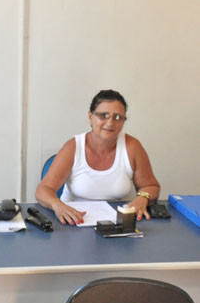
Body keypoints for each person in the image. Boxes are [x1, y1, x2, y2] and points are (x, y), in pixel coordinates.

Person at [35, 89, 160, 225]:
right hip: (74, 222)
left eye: (118, 117)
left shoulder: (132, 146)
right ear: (90, 117)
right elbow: (43, 190)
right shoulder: (73, 147)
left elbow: (150, 186)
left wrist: (143, 198)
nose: (110, 123)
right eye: (103, 115)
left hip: (119, 224)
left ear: (124, 121)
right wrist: (57, 205)